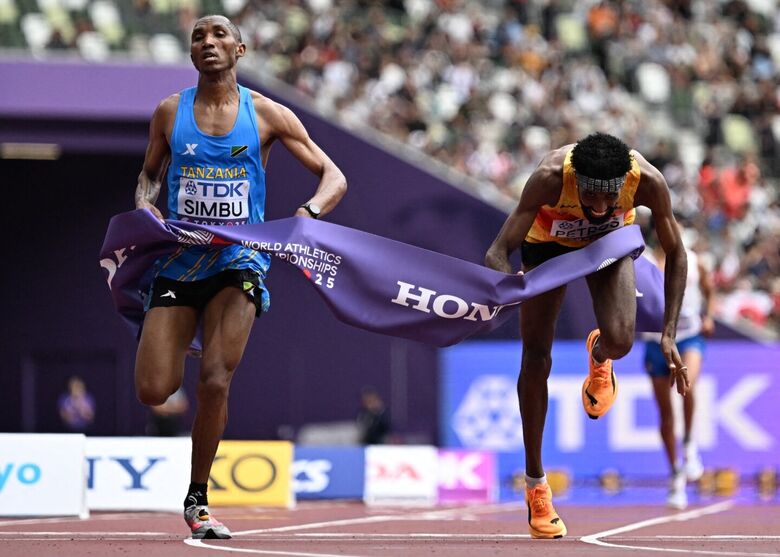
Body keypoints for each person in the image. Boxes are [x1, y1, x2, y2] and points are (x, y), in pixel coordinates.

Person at [133, 14, 347, 540]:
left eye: (219, 35)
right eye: (198, 38)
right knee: (154, 390)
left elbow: (334, 176)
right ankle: (185, 329)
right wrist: (146, 209)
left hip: (241, 258)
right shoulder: (168, 112)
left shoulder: (267, 113)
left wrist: (310, 214)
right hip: (181, 259)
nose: (208, 42)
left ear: (240, 49)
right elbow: (148, 178)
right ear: (191, 55)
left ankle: (198, 499)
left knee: (214, 381)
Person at [484, 132, 689, 539]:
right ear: (575, 179)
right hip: (546, 246)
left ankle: (600, 353)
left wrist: (668, 333)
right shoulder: (548, 177)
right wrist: (509, 284)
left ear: (622, 183)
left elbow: (677, 252)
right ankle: (536, 485)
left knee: (622, 340)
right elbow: (497, 250)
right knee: (536, 357)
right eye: (590, 195)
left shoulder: (646, 181)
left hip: (609, 243)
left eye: (607, 197)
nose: (597, 206)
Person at [643, 227, 715, 510]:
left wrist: (708, 316)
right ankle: (675, 474)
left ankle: (689, 444)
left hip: (688, 335)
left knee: (689, 385)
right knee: (665, 412)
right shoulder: (645, 262)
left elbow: (709, 290)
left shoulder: (694, 261)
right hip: (655, 341)